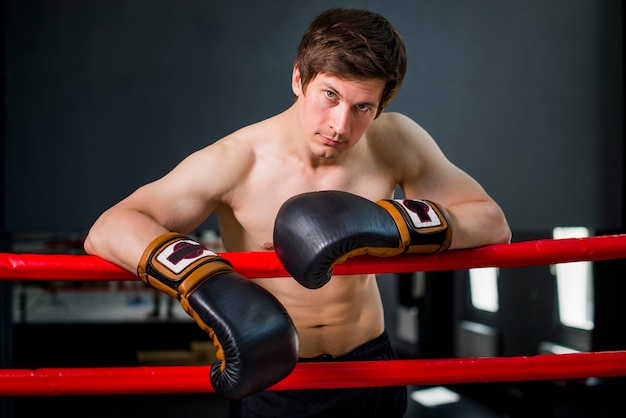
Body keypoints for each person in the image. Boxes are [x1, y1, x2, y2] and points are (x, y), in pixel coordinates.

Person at [84, 7, 511, 417]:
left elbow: (492, 223)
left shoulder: (393, 141)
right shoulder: (238, 160)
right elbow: (110, 228)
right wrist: (204, 281)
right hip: (278, 374)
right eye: (330, 95)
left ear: (381, 106)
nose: (340, 125)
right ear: (298, 78)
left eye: (363, 107)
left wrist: (389, 222)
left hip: (371, 366)